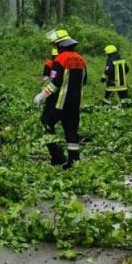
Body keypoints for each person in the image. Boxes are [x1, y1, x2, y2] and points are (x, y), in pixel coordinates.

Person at [34, 31, 87, 168]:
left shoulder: (60, 59)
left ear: (60, 45)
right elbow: (84, 81)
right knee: (71, 132)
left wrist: (41, 96)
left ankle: (57, 157)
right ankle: (73, 162)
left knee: (46, 123)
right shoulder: (81, 60)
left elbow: (55, 84)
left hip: (58, 103)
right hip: (75, 103)